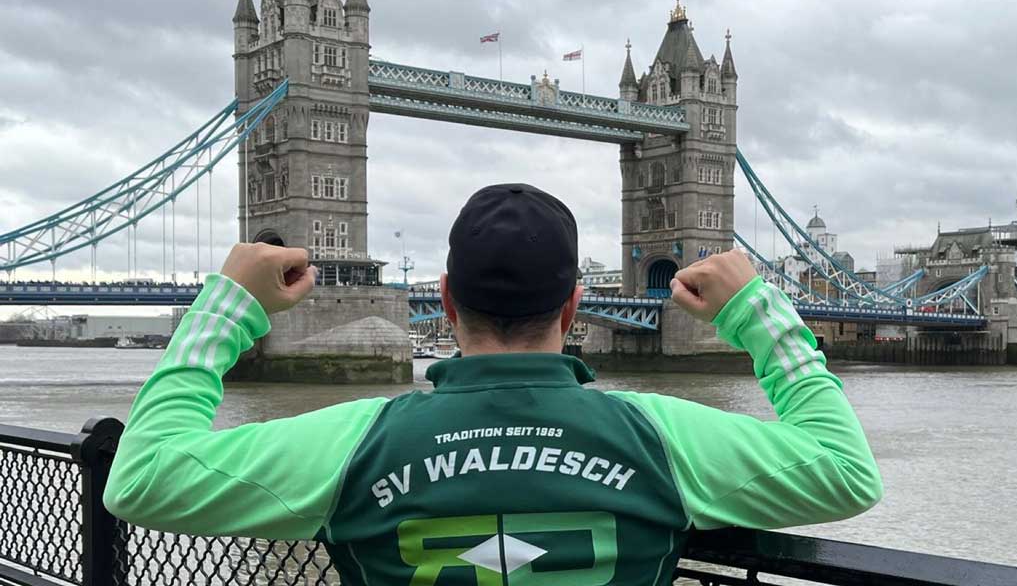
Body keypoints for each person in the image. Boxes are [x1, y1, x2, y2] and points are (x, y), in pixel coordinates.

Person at [102, 185, 883, 580]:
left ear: (444, 301)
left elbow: (138, 478)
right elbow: (847, 472)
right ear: (575, 306)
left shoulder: (354, 440)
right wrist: (758, 314)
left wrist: (227, 305)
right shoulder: (662, 436)